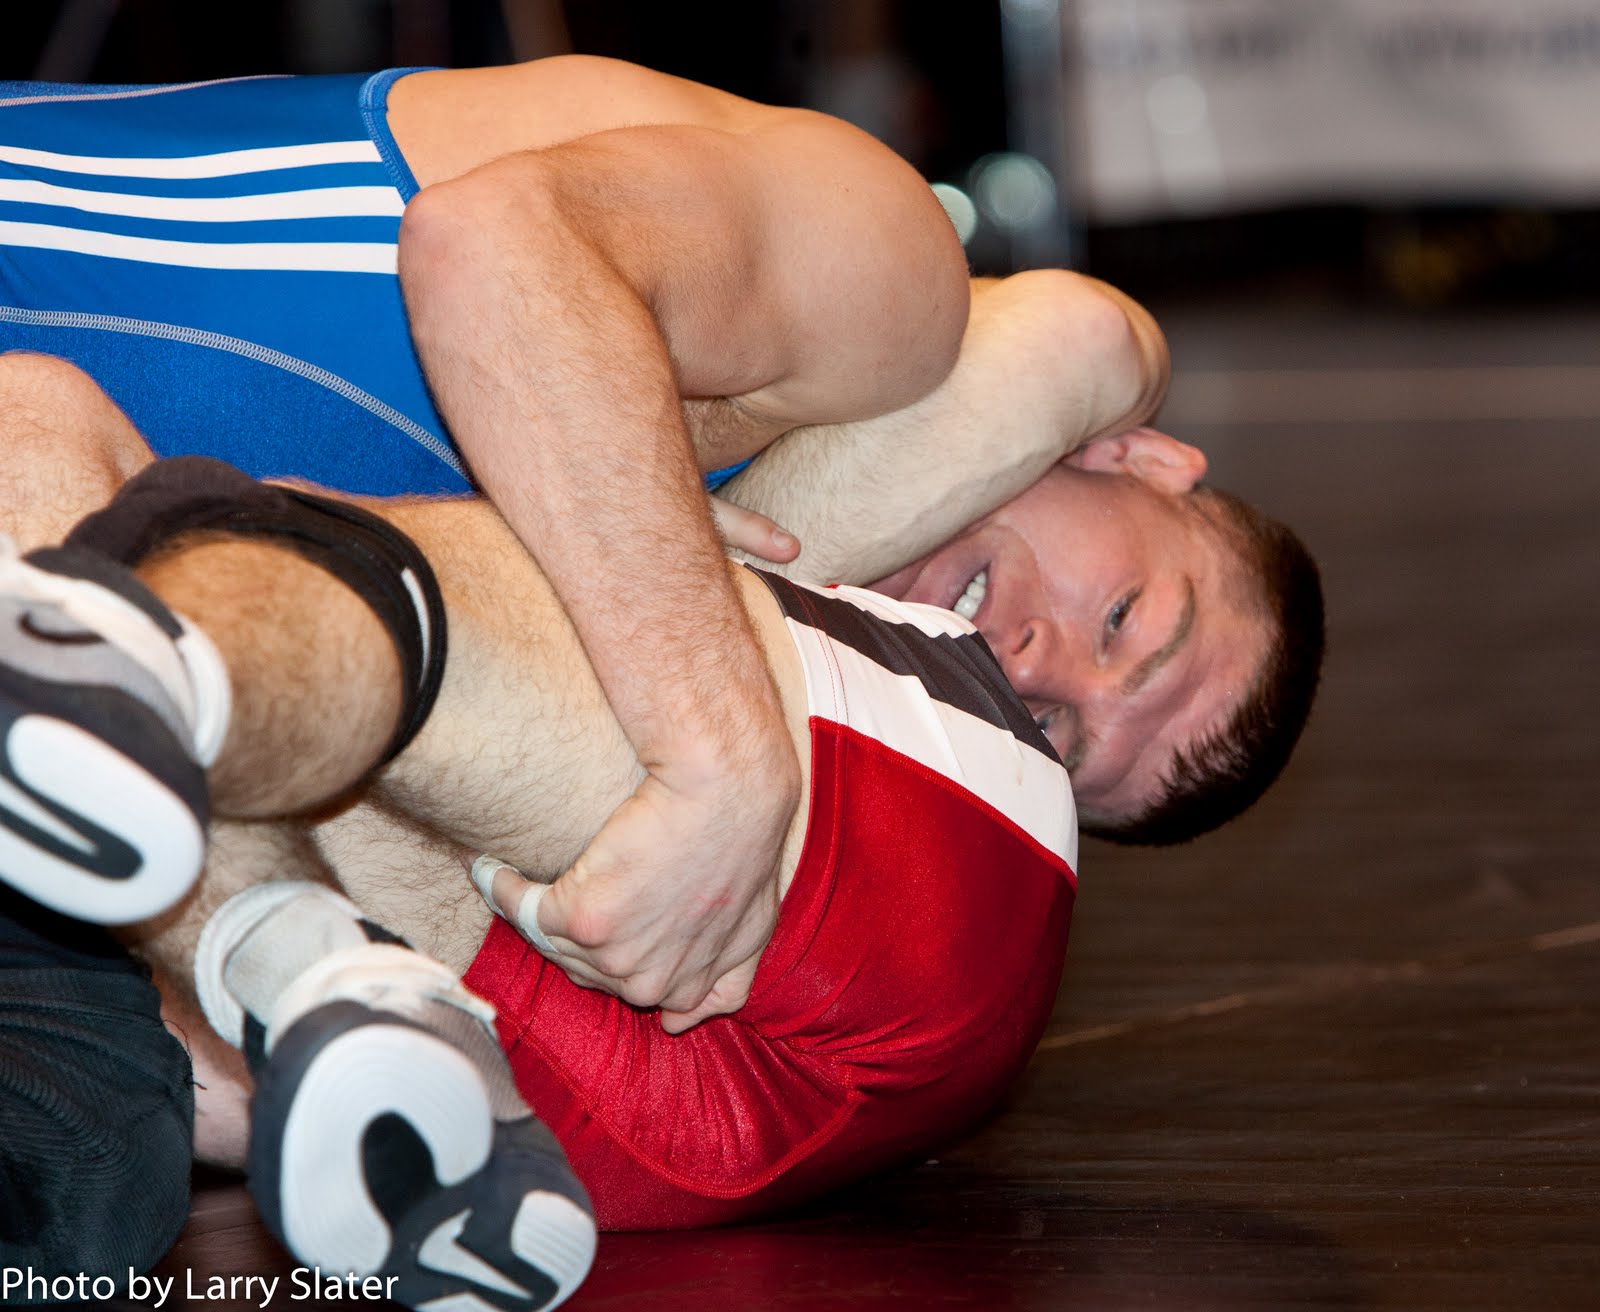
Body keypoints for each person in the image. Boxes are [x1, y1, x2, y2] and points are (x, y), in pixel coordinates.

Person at [0, 355, 1075, 1306]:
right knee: (52, 443)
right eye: (1124, 623)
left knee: (44, 432)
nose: (1043, 668)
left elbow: (1080, 343)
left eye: (1084, 735)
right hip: (302, 1006)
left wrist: (625, 546)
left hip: (848, 880)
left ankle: (170, 706)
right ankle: (291, 941)